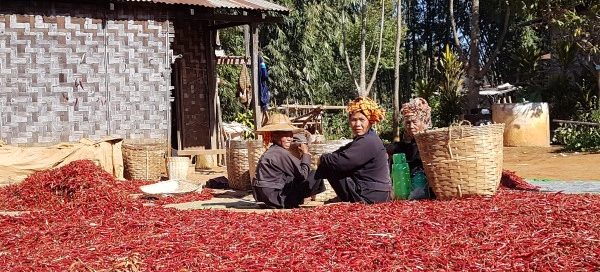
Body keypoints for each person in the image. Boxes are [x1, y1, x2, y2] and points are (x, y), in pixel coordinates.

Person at [314, 97, 392, 204]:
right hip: (372, 191)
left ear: (370, 121)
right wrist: (325, 157)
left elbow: (342, 161)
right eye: (354, 120)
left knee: (329, 164)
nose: (357, 124)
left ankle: (309, 191)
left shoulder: (369, 141)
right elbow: (343, 151)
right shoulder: (366, 138)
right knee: (330, 160)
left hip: (372, 196)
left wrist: (322, 159)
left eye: (361, 120)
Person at [252, 113, 325, 209]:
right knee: (316, 175)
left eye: (290, 135)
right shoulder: (281, 153)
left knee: (292, 177)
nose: (289, 138)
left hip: (265, 196)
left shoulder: (272, 151)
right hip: (276, 197)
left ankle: (296, 198)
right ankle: (296, 200)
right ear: (275, 136)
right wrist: (306, 154)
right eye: (285, 135)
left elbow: (293, 173)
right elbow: (303, 174)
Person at [388, 97, 433, 199]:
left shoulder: (429, 141)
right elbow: (397, 147)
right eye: (408, 123)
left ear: (423, 122)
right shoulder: (407, 143)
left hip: (424, 184)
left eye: (415, 122)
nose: (411, 126)